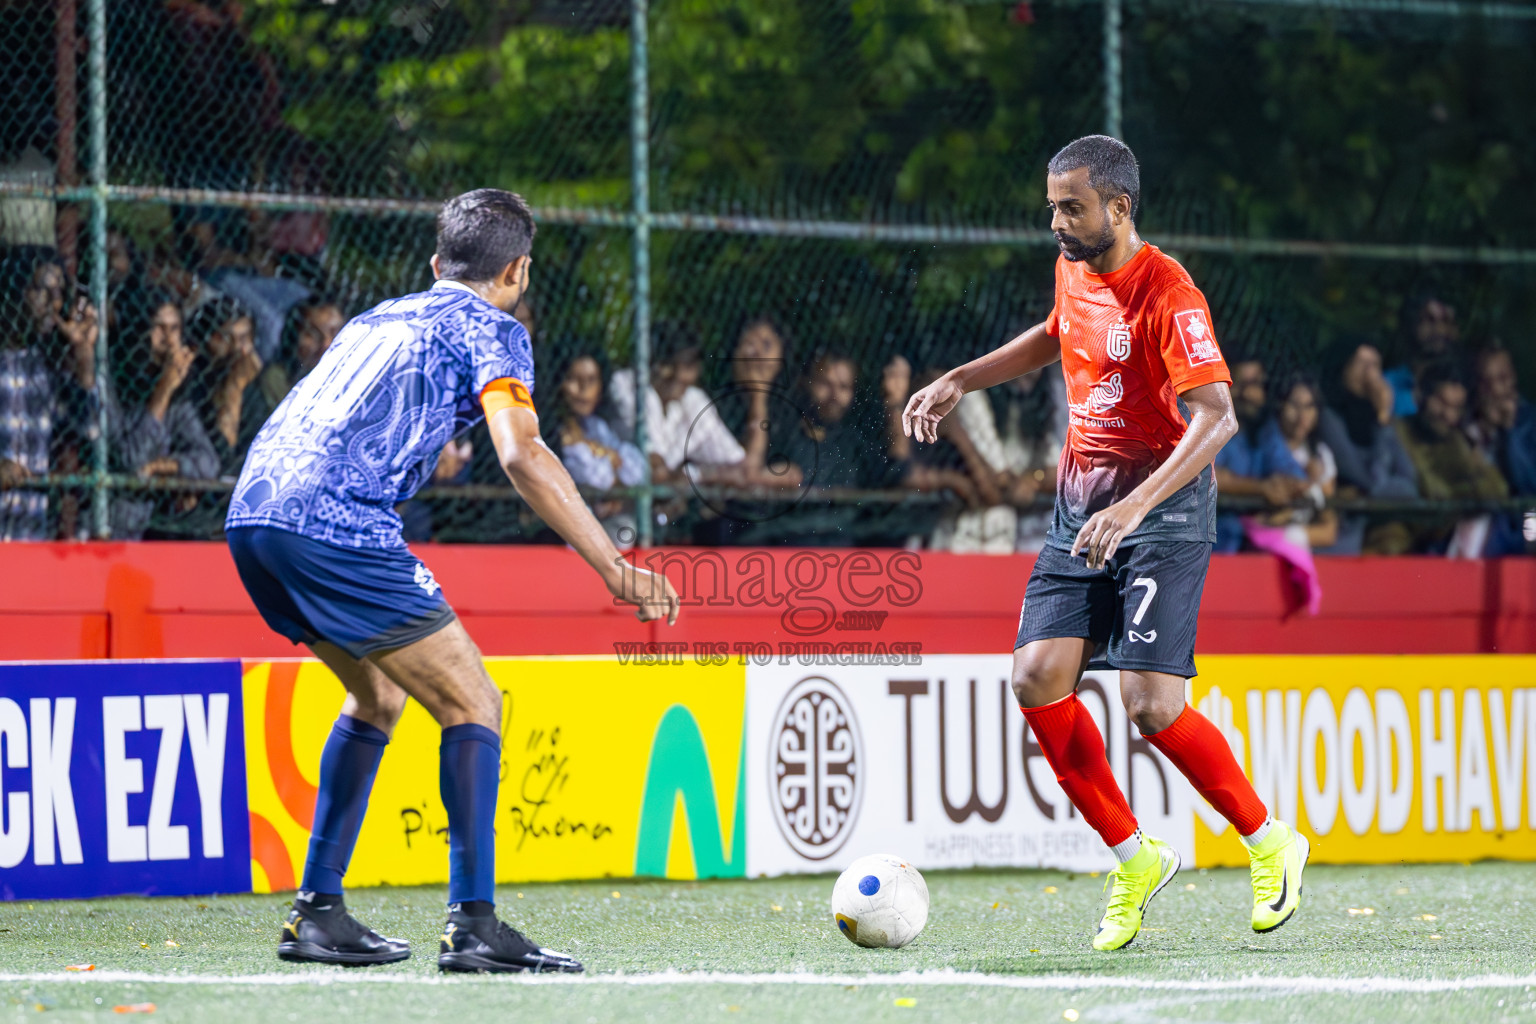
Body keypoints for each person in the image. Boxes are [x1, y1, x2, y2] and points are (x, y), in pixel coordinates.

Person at [225, 189, 679, 973]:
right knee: (474, 700)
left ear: (437, 265)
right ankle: (473, 923)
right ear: (518, 270)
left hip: (254, 514)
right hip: (336, 523)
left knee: (377, 695)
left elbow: (349, 413)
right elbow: (523, 454)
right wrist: (616, 566)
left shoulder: (377, 318)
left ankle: (317, 914)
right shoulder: (494, 327)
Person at [903, 135, 1307, 952]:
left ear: (1119, 208)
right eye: (1052, 206)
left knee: (1152, 706)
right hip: (1080, 506)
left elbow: (1218, 418)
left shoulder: (1170, 293)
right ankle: (1134, 856)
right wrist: (960, 380)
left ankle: (1269, 842)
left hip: (1160, 515)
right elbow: (1056, 332)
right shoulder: (1073, 266)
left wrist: (1135, 509)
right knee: (1035, 676)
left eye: (1071, 207)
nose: (1055, 221)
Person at [106, 288, 219, 539]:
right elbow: (133, 461)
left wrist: (164, 466)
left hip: (152, 528)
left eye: (175, 329)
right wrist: (163, 391)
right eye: (159, 328)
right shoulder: (111, 383)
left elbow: (209, 462)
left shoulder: (178, 394)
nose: (168, 341)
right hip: (112, 527)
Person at [1396, 362, 1508, 555]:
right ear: (1421, 396)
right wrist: (1465, 495)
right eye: (1441, 402)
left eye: (1456, 408)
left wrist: (1457, 496)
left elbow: (1496, 490)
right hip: (1407, 544)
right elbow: (1429, 492)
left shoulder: (1456, 440)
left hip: (1445, 543)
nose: (1448, 415)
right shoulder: (1398, 433)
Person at [1211, 354, 1308, 552]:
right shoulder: (1213, 423)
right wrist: (1260, 488)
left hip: (1255, 541)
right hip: (1215, 541)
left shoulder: (1265, 429)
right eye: (1241, 384)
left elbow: (1296, 477)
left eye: (1255, 384)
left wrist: (1285, 487)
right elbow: (1210, 476)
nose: (1248, 394)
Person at [549, 350, 645, 545]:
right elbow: (595, 478)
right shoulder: (553, 429)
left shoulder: (598, 425)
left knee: (626, 529)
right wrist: (611, 458)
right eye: (574, 379)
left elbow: (638, 471)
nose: (583, 389)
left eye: (591, 380)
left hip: (605, 518)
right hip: (565, 529)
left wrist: (600, 452)